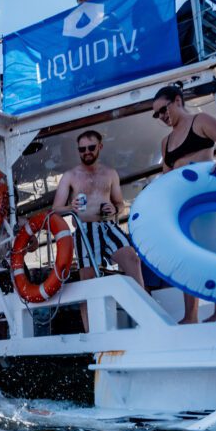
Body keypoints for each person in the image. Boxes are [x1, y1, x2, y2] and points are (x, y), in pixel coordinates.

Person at [152, 83, 216, 323]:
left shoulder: (200, 121)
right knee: (185, 253)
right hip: (183, 203)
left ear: (177, 101)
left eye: (163, 109)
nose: (161, 116)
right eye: (156, 114)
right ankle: (190, 315)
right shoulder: (165, 142)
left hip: (205, 197)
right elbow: (167, 176)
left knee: (209, 248)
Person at [52, 130, 144, 331]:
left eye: (91, 148)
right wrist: (71, 207)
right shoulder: (70, 176)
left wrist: (115, 208)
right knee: (89, 281)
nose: (86, 152)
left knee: (132, 259)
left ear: (100, 146)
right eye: (82, 149)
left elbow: (120, 204)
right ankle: (93, 332)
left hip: (107, 226)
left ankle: (143, 317)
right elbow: (56, 210)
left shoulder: (110, 173)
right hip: (85, 231)